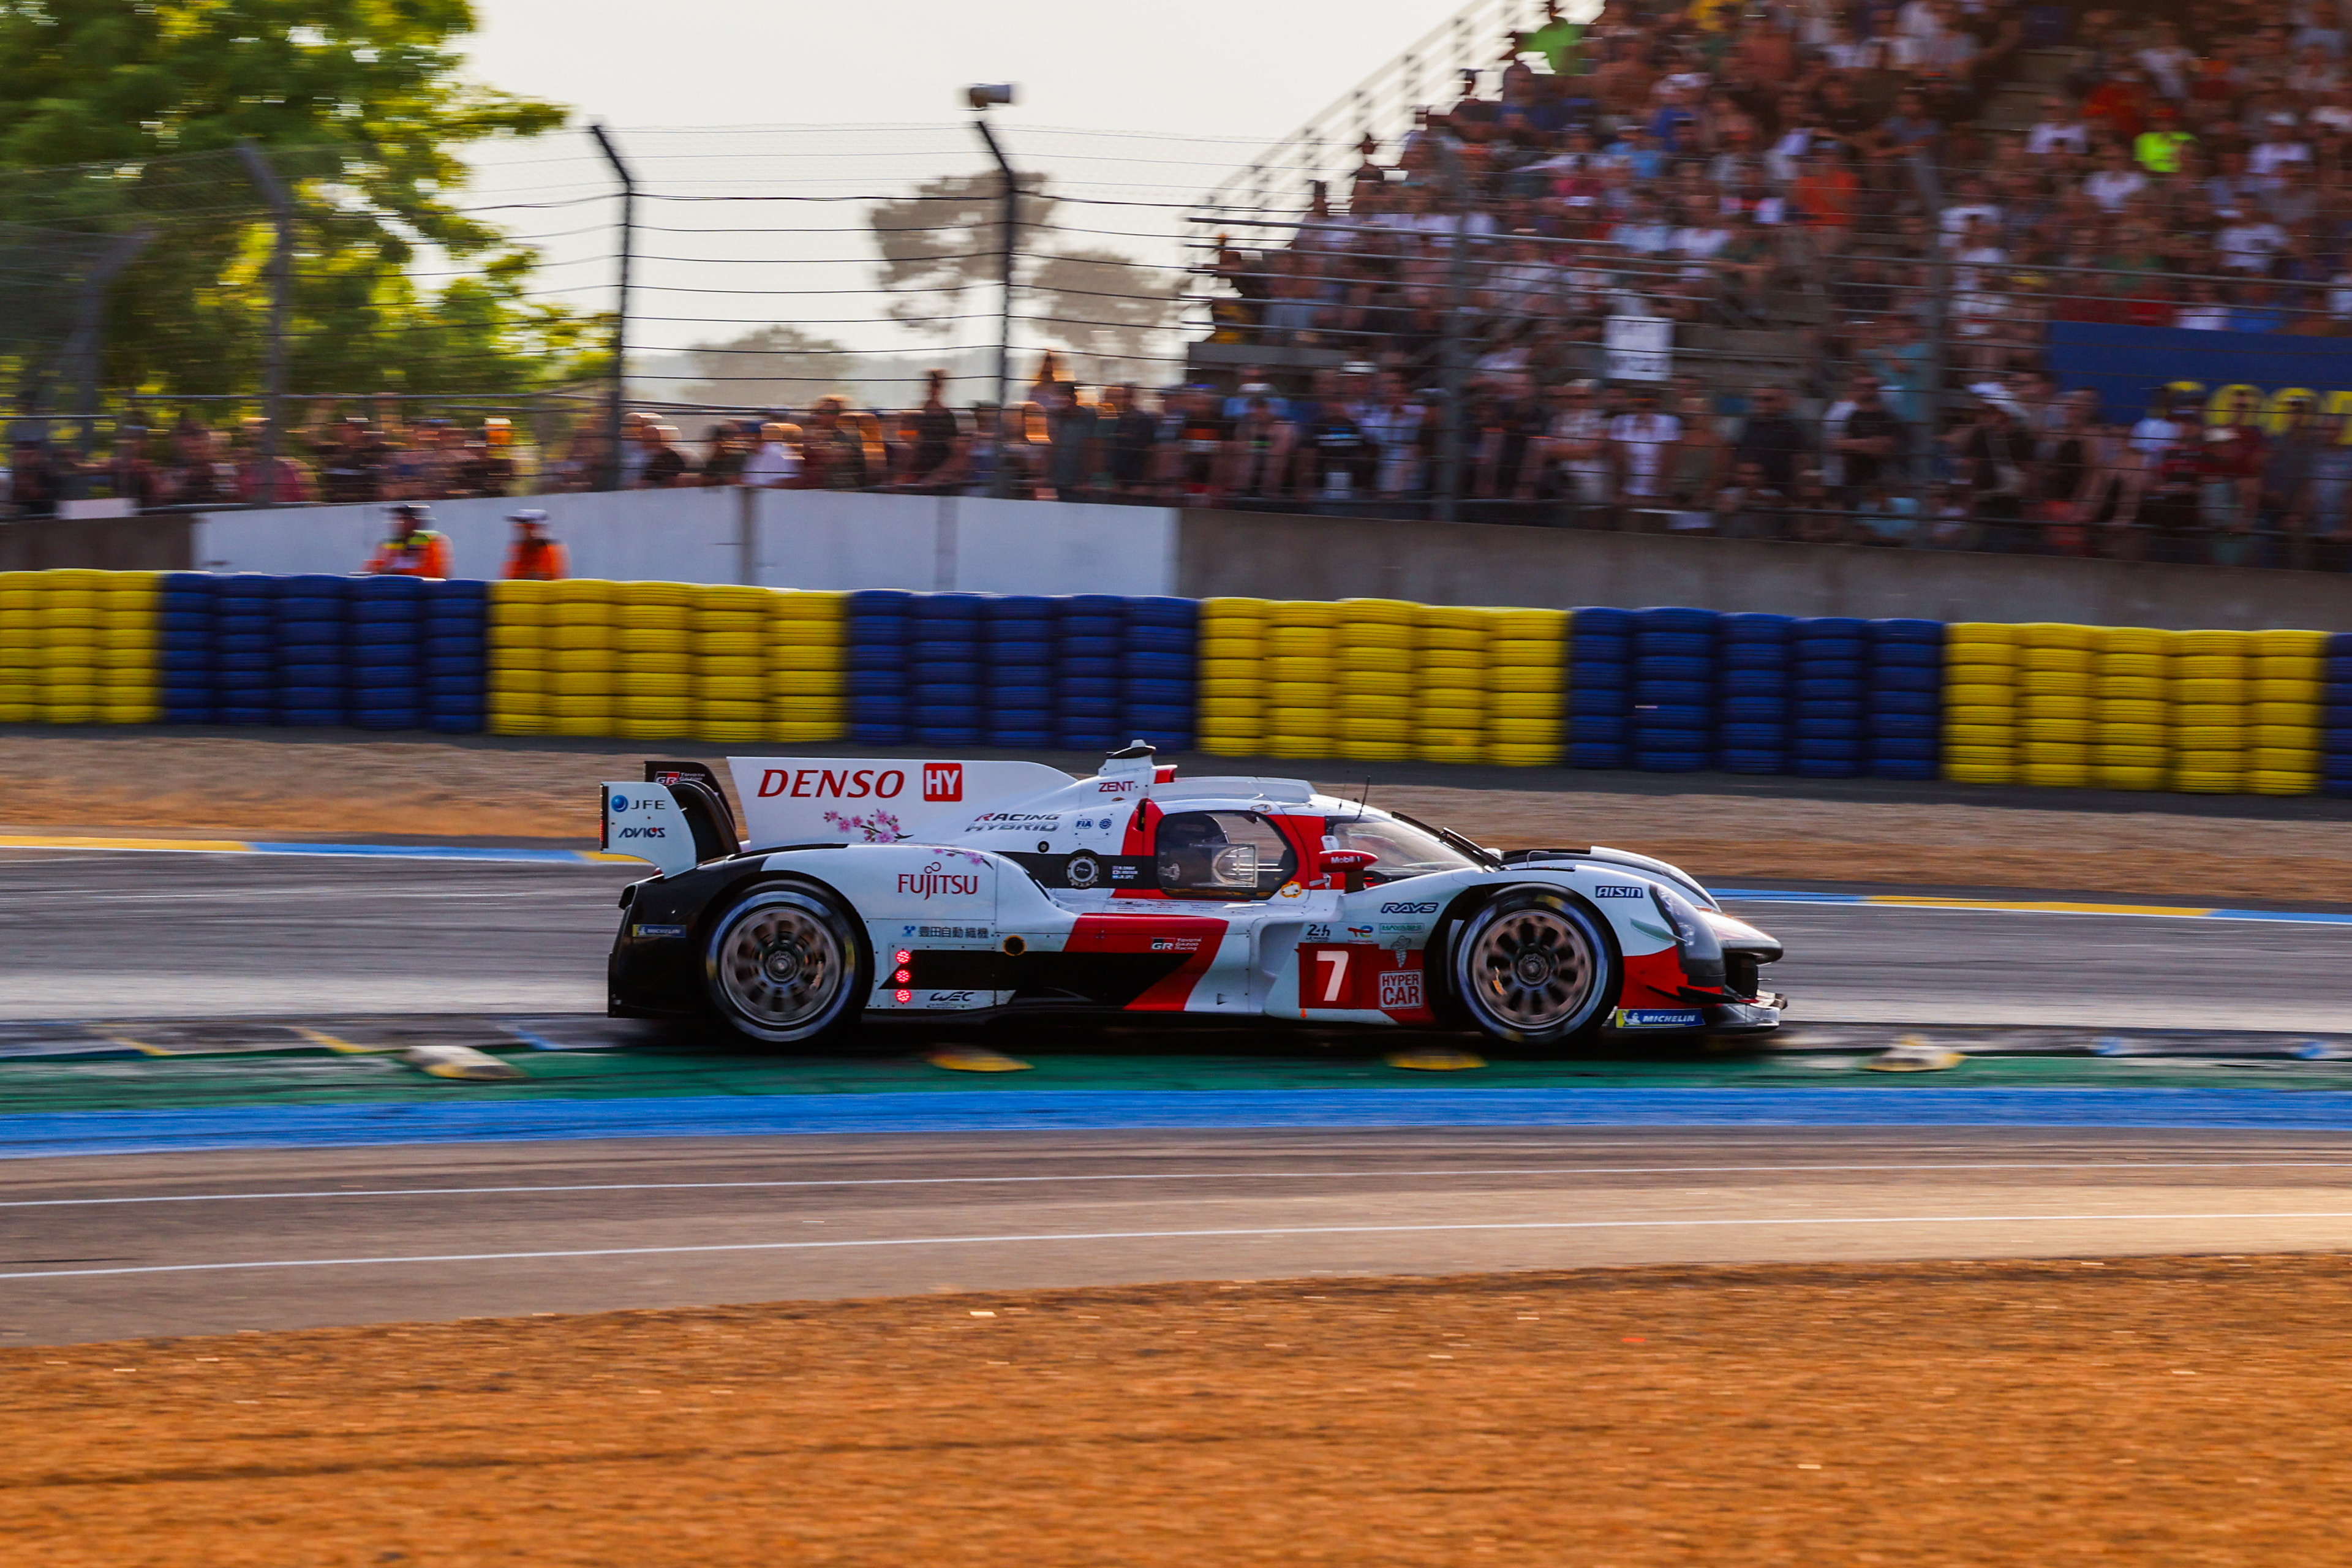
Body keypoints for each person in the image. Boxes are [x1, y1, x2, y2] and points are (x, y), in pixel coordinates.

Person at [363, 503, 451, 579]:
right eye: (398, 518)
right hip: (393, 590)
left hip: (420, 592)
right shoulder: (388, 544)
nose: (400, 522)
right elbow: (375, 569)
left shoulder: (433, 541)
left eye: (405, 518)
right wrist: (375, 570)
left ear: (417, 522)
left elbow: (436, 575)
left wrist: (399, 572)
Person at [500, 509, 568, 581]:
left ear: (538, 528)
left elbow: (550, 580)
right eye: (520, 526)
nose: (522, 530)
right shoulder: (520, 549)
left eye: (528, 527)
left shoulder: (549, 550)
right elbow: (511, 578)